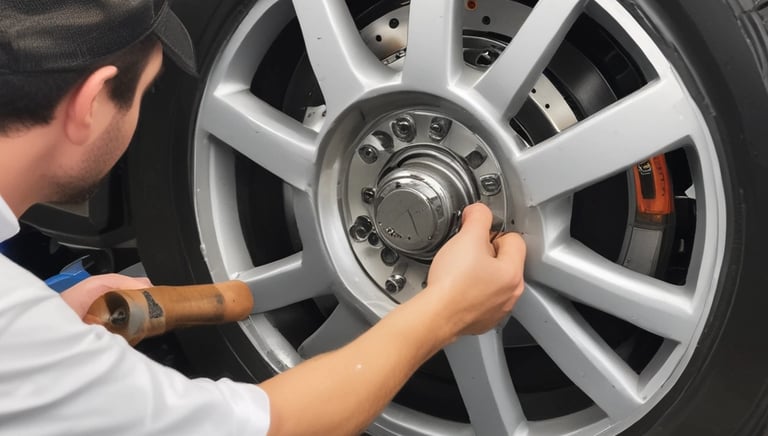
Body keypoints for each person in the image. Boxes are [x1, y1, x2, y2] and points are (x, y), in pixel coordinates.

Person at [0, 1, 526, 435]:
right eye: (143, 95)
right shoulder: (18, 334)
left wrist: (53, 334)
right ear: (89, 104)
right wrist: (446, 311)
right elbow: (280, 427)